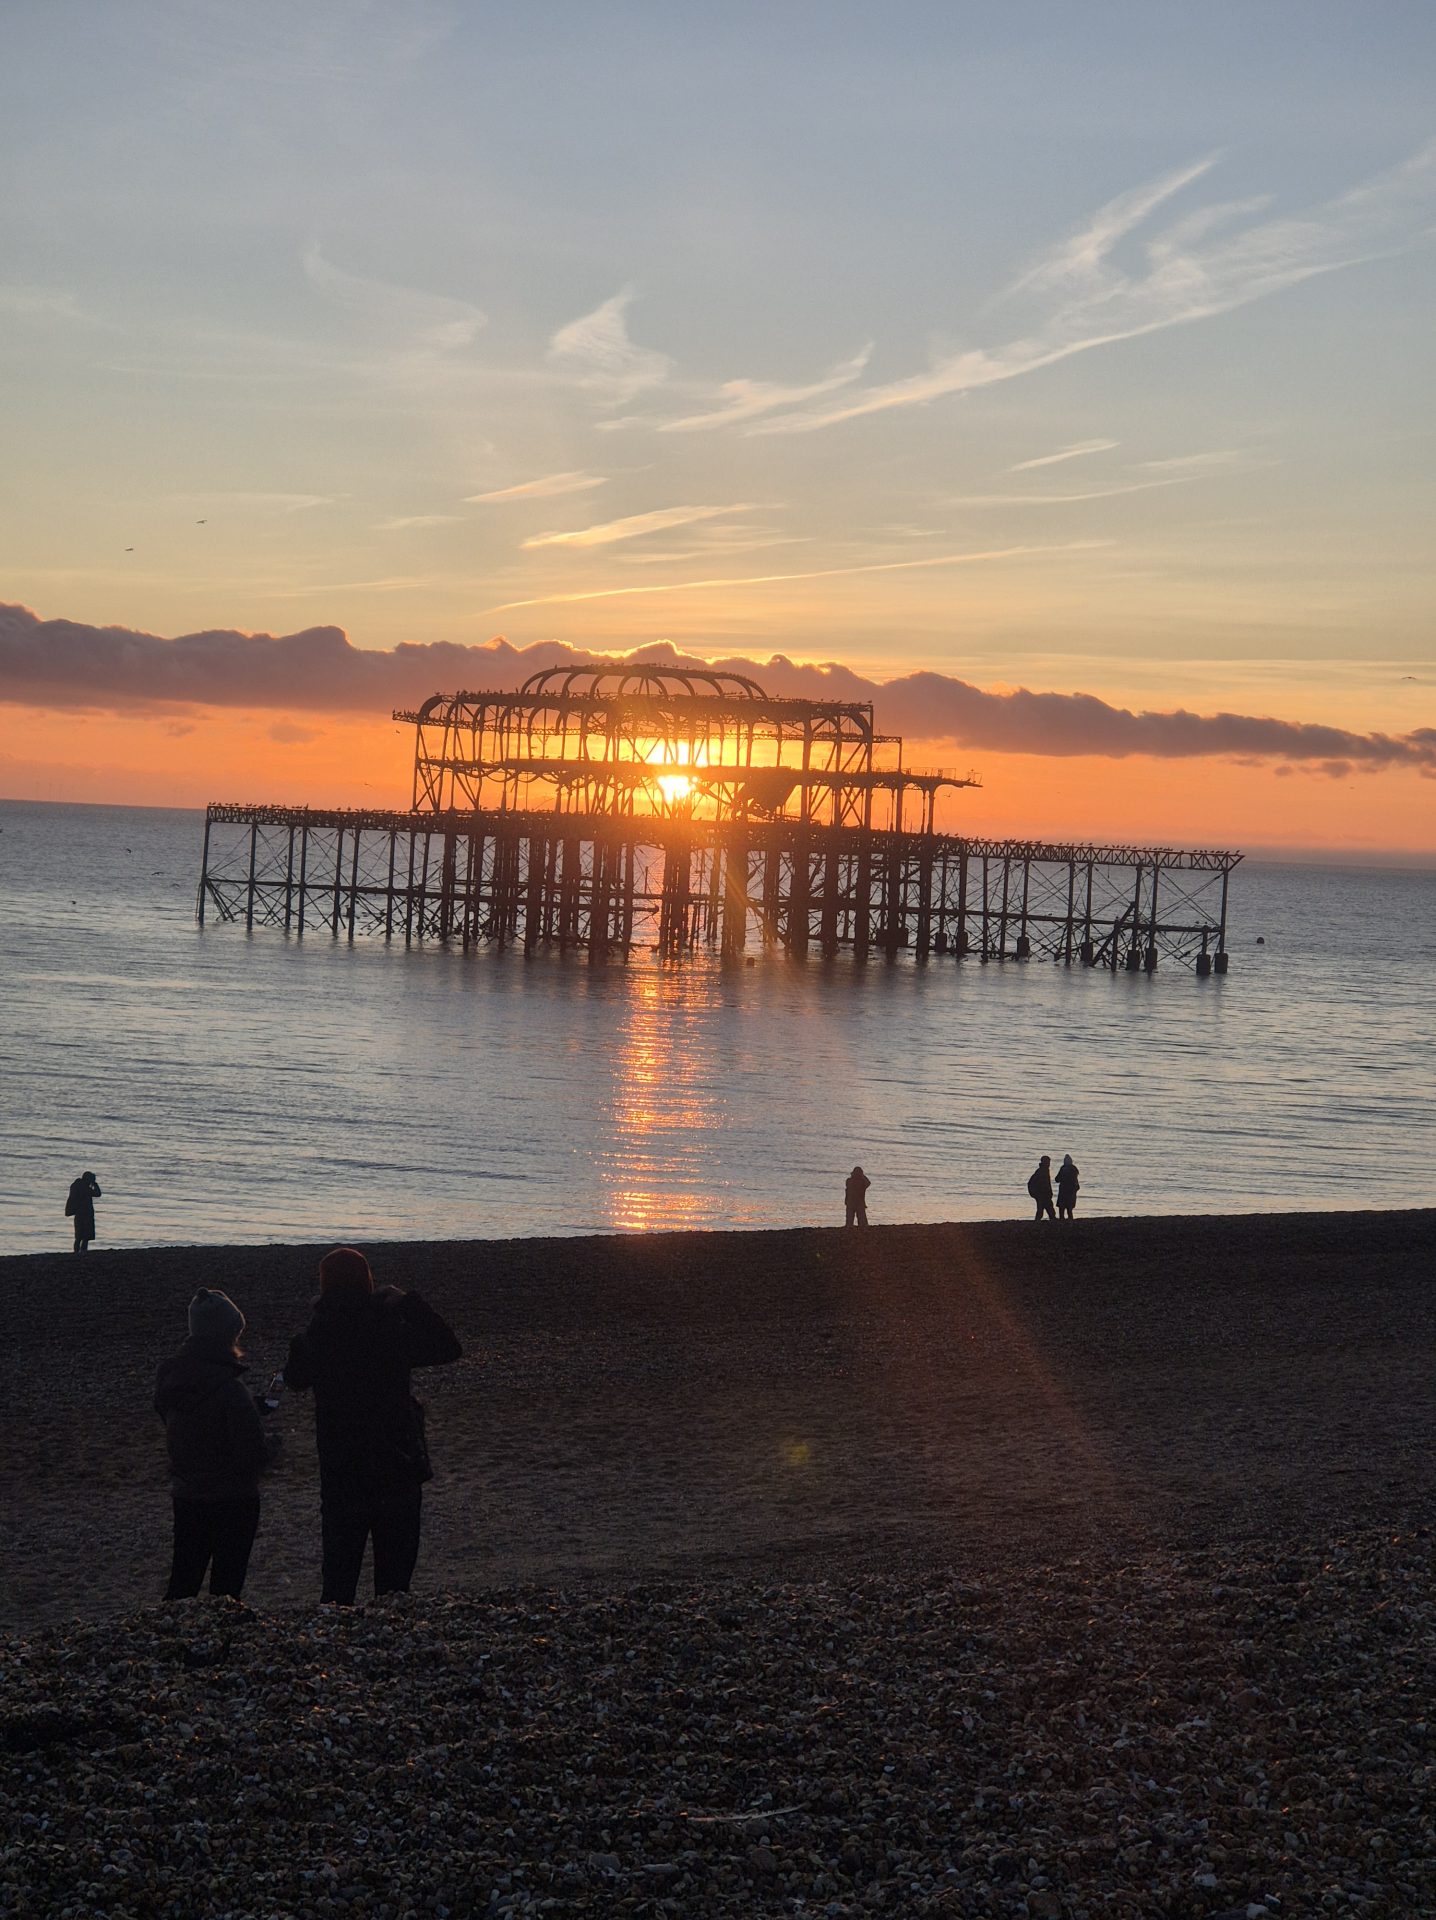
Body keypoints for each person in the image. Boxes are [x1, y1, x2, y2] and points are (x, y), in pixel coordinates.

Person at [284, 1247, 461, 1606]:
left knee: (338, 1583)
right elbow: (449, 1347)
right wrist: (408, 1302)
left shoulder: (316, 1336)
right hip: (396, 1467)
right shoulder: (389, 1331)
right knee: (394, 1587)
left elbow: (293, 1378)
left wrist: (321, 1313)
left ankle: (332, 1653)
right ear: (369, 1283)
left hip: (342, 1473)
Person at [154, 1289, 278, 1600]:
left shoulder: (171, 1377)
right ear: (227, 1335)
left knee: (183, 1581)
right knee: (226, 1588)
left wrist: (249, 1406)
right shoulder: (230, 1390)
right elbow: (253, 1454)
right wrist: (274, 1445)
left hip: (187, 1492)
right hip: (232, 1498)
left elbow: (188, 1418)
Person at [65, 1170, 101, 1253]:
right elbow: (98, 1194)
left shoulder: (77, 1186)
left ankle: (77, 1252)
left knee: (79, 1236)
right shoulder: (84, 1187)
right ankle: (82, 1252)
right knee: (85, 1236)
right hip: (85, 1213)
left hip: (79, 1213)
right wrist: (95, 1185)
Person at [1027, 1155, 1055, 1222]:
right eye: (1048, 1162)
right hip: (1042, 1193)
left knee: (1044, 1209)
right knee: (1046, 1209)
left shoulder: (1043, 1170)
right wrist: (1047, 1192)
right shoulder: (1042, 1170)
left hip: (1042, 1193)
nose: (1049, 1164)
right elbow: (1045, 1183)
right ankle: (1039, 1222)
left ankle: (1038, 1222)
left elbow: (1047, 1183)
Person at [1055, 1154, 1080, 1221]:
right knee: (1069, 1208)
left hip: (1063, 1190)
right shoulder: (1074, 1169)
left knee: (1062, 1207)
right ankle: (1070, 1220)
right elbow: (1076, 1182)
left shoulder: (1063, 1168)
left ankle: (1062, 1220)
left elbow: (1057, 1179)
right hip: (1071, 1191)